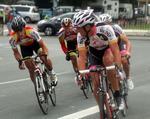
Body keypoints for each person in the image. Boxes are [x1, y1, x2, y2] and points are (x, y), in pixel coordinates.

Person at [72, 9, 125, 111]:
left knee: (108, 60)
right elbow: (82, 57)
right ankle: (102, 108)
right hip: (94, 53)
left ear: (87, 27)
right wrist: (80, 75)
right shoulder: (80, 36)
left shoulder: (105, 29)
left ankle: (117, 94)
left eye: (78, 28)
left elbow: (115, 50)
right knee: (95, 80)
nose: (76, 30)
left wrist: (117, 69)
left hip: (107, 49)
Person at [8, 16, 58, 87]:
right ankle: (38, 88)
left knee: (44, 59)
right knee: (30, 68)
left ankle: (52, 73)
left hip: (35, 44)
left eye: (20, 30)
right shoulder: (12, 38)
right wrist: (20, 61)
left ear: (24, 28)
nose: (19, 34)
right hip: (25, 48)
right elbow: (16, 52)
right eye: (17, 31)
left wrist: (46, 55)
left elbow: (43, 45)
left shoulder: (32, 31)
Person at [99, 13, 134, 90]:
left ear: (110, 23)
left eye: (106, 24)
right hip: (108, 47)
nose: (104, 26)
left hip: (119, 44)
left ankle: (128, 78)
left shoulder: (116, 28)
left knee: (124, 60)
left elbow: (127, 42)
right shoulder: (99, 30)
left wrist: (127, 52)